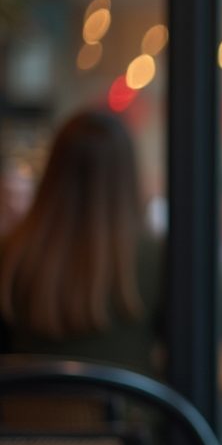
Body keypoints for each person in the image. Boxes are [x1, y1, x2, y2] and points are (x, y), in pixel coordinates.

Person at [0, 111, 161, 377]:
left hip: (25, 417)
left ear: (53, 171)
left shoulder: (10, 252)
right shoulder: (157, 257)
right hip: (131, 415)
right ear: (128, 174)